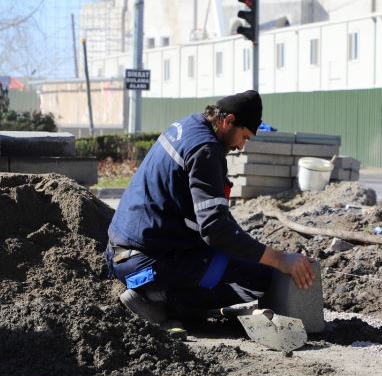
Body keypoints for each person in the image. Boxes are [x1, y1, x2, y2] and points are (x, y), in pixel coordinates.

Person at [106, 90, 314, 329]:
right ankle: (162, 304)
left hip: (123, 253)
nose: (241, 146)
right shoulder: (206, 150)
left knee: (236, 260)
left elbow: (214, 220)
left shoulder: (189, 125)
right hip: (147, 266)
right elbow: (216, 230)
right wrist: (279, 260)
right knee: (258, 279)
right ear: (229, 121)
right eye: (243, 136)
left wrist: (255, 250)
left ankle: (157, 295)